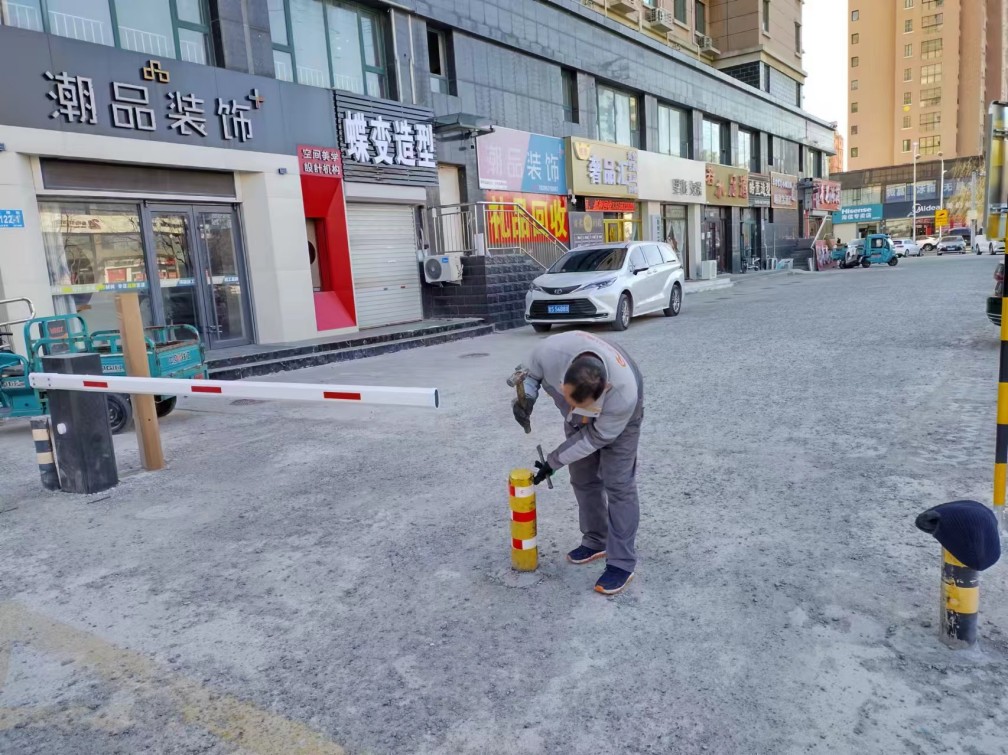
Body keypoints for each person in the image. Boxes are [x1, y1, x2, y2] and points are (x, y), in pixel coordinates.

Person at [512, 330, 644, 595]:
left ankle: (622, 562)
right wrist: (527, 397)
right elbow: (528, 374)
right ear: (563, 382)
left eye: (586, 410)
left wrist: (553, 461)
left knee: (619, 485)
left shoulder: (622, 396)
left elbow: (594, 438)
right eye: (571, 403)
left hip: (619, 419)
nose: (580, 417)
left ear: (605, 389)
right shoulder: (548, 353)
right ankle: (597, 539)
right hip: (581, 394)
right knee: (582, 477)